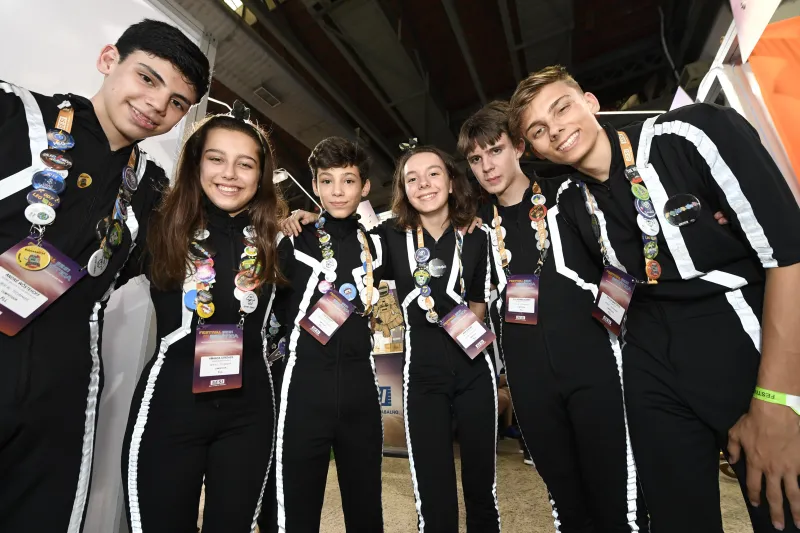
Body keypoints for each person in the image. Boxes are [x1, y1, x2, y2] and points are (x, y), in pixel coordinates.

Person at [508, 65, 800, 532]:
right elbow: (613, 286)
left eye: (561, 107)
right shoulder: (572, 202)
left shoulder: (691, 132)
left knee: (781, 503)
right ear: (536, 148)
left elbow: (788, 256)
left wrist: (778, 401)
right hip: (649, 360)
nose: (556, 129)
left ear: (590, 101)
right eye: (538, 131)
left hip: (736, 339)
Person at [0, 19, 209, 531]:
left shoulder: (149, 189)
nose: (159, 105)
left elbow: (198, 255)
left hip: (63, 394)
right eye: (148, 78)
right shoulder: (16, 114)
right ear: (108, 60)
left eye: (179, 102)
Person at [459, 100, 650, 532]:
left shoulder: (567, 193)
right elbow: (471, 310)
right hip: (531, 390)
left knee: (619, 503)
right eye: (476, 158)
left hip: (595, 373)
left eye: (495, 150)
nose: (487, 165)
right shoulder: (476, 231)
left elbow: (621, 265)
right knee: (565, 503)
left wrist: (610, 330)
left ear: (519, 146)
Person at [120, 102, 284, 532]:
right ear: (195, 164)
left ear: (260, 175)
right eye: (216, 159)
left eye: (245, 164)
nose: (230, 174)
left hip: (249, 418)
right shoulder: (160, 227)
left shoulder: (276, 241)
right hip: (170, 410)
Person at [376, 145, 498, 533]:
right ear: (403, 189)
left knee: (481, 481)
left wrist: (463, 336)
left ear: (449, 181)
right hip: (421, 374)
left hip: (474, 369)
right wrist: (307, 216)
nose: (423, 184)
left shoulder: (477, 234)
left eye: (433, 174)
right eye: (412, 178)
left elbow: (478, 303)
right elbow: (346, 243)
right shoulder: (389, 236)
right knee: (432, 483)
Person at [270, 137, 385, 532]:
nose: (338, 190)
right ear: (315, 185)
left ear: (364, 187)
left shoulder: (378, 246)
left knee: (366, 501)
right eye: (327, 180)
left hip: (360, 391)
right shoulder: (293, 238)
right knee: (296, 504)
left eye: (348, 181)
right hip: (302, 389)